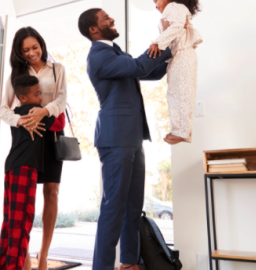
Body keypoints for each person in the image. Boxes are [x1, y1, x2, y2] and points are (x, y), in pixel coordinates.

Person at [78, 8, 172, 270]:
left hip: (132, 137)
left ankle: (129, 262)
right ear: (93, 30)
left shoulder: (116, 52)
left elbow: (150, 71)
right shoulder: (98, 55)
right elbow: (141, 65)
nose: (112, 19)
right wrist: (163, 42)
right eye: (106, 18)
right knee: (113, 207)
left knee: (132, 205)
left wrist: (173, 53)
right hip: (115, 137)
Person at [0, 27, 68, 270]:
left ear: (42, 44)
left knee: (51, 193)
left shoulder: (57, 69)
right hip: (27, 137)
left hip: (51, 134)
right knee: (23, 199)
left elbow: (61, 99)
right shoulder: (15, 74)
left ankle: (44, 255)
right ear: (19, 52)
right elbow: (3, 108)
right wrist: (20, 121)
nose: (31, 53)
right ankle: (24, 255)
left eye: (34, 47)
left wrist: (44, 110)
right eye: (25, 50)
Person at [148, 0, 202, 145]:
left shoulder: (174, 6)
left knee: (182, 92)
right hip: (178, 55)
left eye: (156, 0)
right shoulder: (173, 10)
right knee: (175, 93)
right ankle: (180, 130)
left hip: (182, 54)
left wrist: (157, 42)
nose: (155, 4)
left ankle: (182, 131)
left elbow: (177, 27)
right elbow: (176, 29)